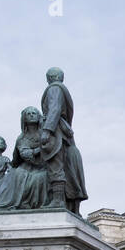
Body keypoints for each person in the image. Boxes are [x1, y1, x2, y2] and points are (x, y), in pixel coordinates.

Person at [38, 67, 87, 213]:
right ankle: (67, 204)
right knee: (66, 167)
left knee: (55, 164)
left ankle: (58, 200)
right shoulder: (63, 89)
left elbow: (55, 108)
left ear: (50, 78)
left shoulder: (54, 88)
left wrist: (47, 130)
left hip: (56, 130)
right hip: (63, 132)